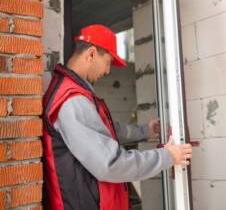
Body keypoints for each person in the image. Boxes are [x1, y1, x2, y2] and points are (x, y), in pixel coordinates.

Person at [42, 24, 192, 210]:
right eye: (108, 62)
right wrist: (167, 156)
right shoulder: (72, 100)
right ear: (91, 54)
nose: (107, 71)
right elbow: (111, 164)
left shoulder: (76, 93)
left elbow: (103, 131)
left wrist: (145, 131)